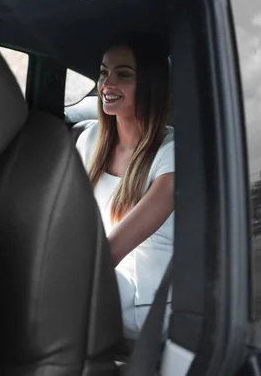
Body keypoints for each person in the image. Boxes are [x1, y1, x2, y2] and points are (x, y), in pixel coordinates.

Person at [75, 33, 174, 340]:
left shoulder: (172, 153)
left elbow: (111, 251)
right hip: (106, 291)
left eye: (124, 74)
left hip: (150, 310)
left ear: (150, 84)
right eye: (104, 73)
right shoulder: (89, 141)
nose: (107, 85)